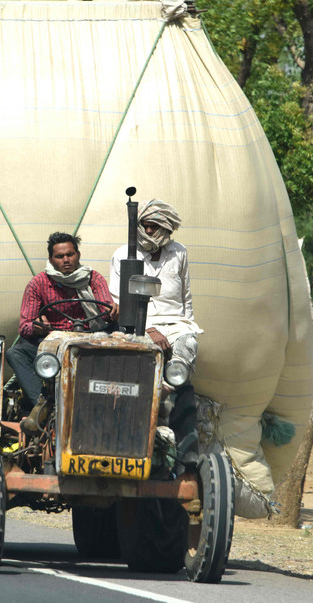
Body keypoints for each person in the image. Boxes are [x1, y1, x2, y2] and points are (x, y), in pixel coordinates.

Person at [109, 199, 201, 472]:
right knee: (142, 354)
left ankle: (170, 390)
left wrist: (188, 326)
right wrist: (148, 328)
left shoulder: (179, 253)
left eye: (155, 227)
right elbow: (118, 299)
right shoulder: (123, 254)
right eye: (145, 226)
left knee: (187, 346)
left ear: (166, 229)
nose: (149, 232)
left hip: (176, 324)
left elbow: (186, 297)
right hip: (138, 325)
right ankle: (157, 396)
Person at [7, 232, 118, 433]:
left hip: (89, 342)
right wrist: (37, 325)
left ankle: (114, 403)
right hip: (52, 347)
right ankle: (44, 404)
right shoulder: (38, 284)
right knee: (16, 353)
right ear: (51, 259)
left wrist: (112, 311)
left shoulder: (93, 279)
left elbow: (106, 310)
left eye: (70, 254)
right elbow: (24, 326)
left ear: (78, 255)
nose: (66, 260)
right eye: (60, 256)